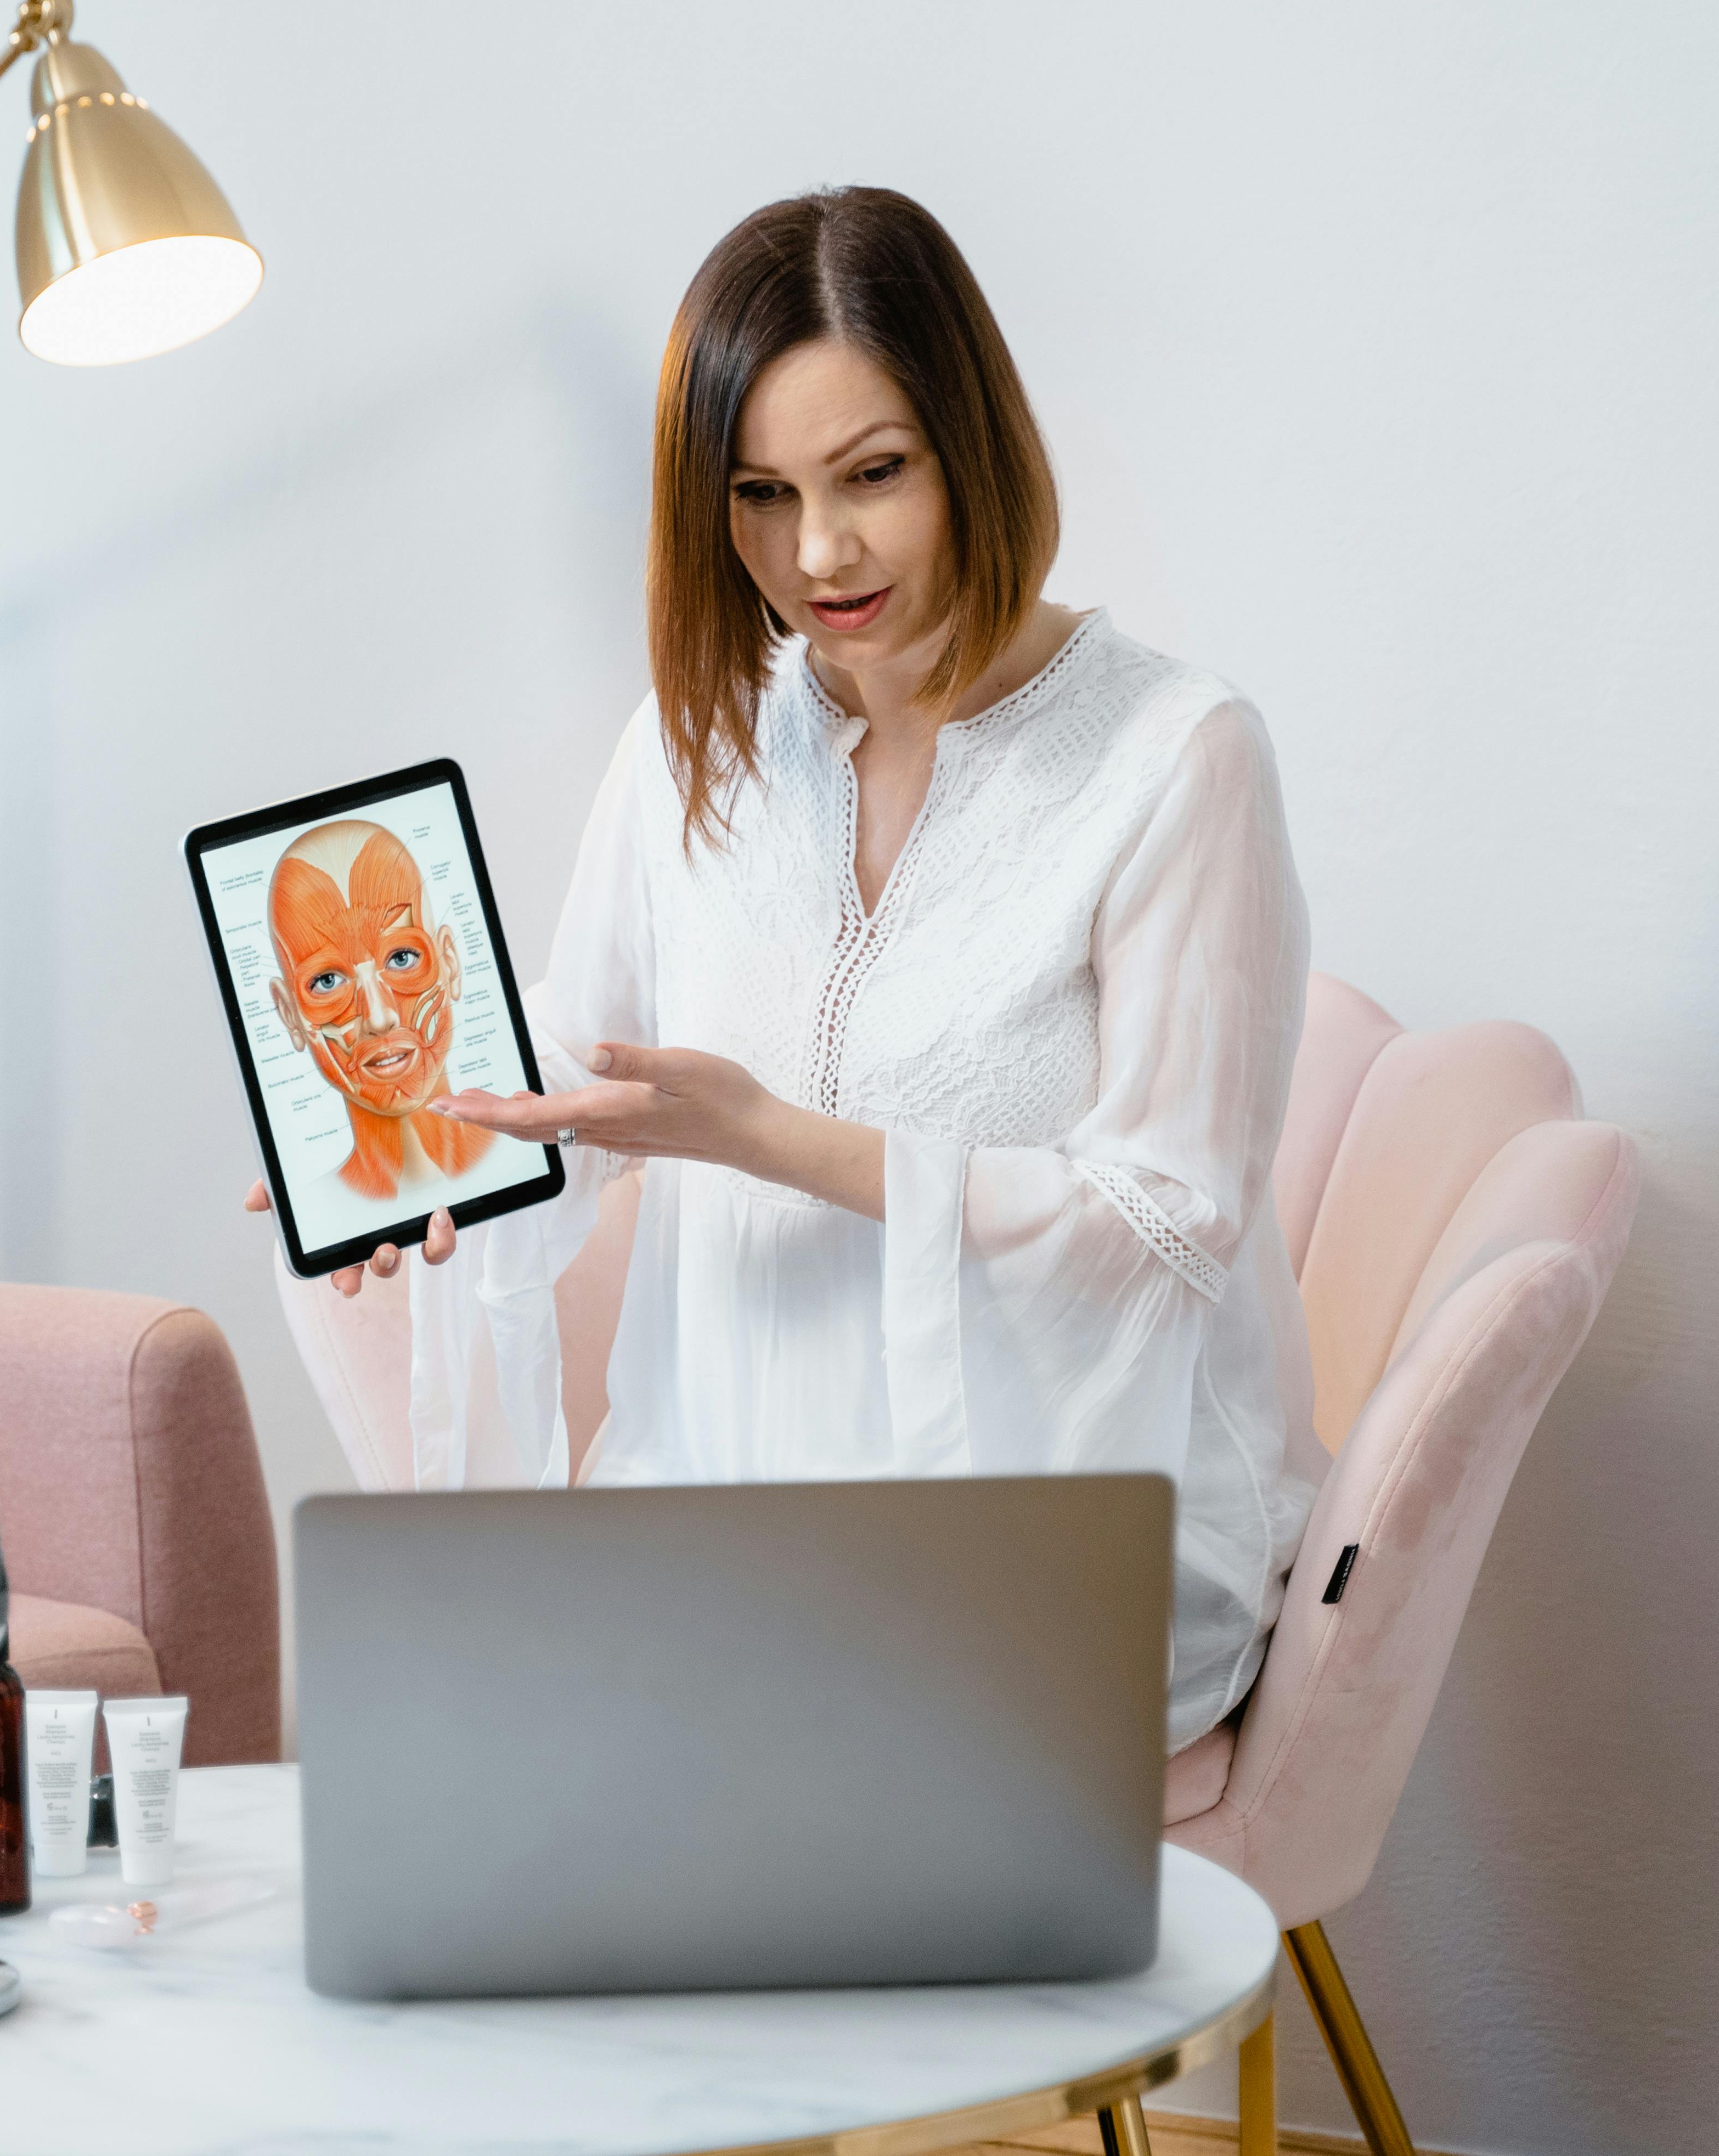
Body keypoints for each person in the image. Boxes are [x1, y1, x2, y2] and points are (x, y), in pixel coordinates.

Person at [252, 186, 1322, 1752]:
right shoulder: (695, 742)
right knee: (474, 1716)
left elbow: (1166, 1223)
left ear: (972, 442)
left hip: (1064, 1534)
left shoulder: (1174, 758)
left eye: (869, 475)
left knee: (635, 1750)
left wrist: (772, 1140)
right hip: (728, 1487)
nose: (815, 553)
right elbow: (586, 1060)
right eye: (757, 493)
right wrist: (412, 1152)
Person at [263, 817, 495, 1218]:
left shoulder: (527, 1149)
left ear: (450, 963)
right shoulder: (323, 1216)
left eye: (402, 957)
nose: (380, 1015)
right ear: (291, 1015)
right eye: (327, 981)